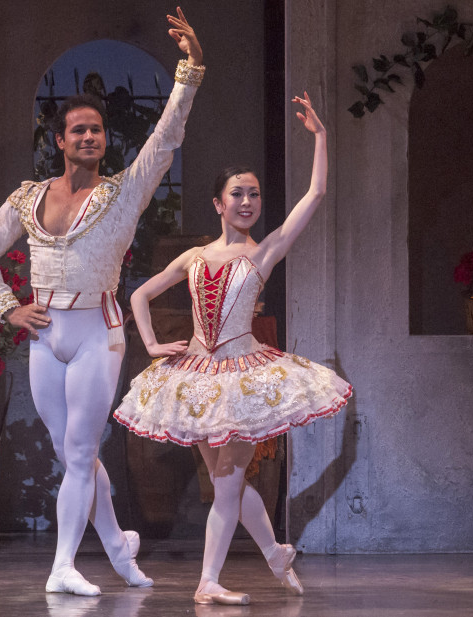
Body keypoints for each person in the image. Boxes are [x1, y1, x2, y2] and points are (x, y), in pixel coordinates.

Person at [0, 7, 204, 596]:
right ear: (59, 140)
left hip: (100, 331)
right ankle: (121, 548)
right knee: (72, 456)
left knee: (79, 453)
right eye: (78, 130)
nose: (89, 137)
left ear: (105, 139)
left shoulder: (122, 195)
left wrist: (189, 71)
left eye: (97, 130)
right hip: (47, 337)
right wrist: (8, 307)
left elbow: (166, 136)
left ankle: (63, 566)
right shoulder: (27, 198)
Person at [114, 93, 352, 605]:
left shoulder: (263, 253)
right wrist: (153, 343)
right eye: (238, 194)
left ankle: (207, 582)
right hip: (199, 376)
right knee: (230, 484)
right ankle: (275, 554)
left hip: (244, 378)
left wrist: (321, 137)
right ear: (218, 203)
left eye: (255, 194)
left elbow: (315, 194)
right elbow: (138, 293)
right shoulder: (196, 256)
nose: (248, 202)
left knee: (226, 482)